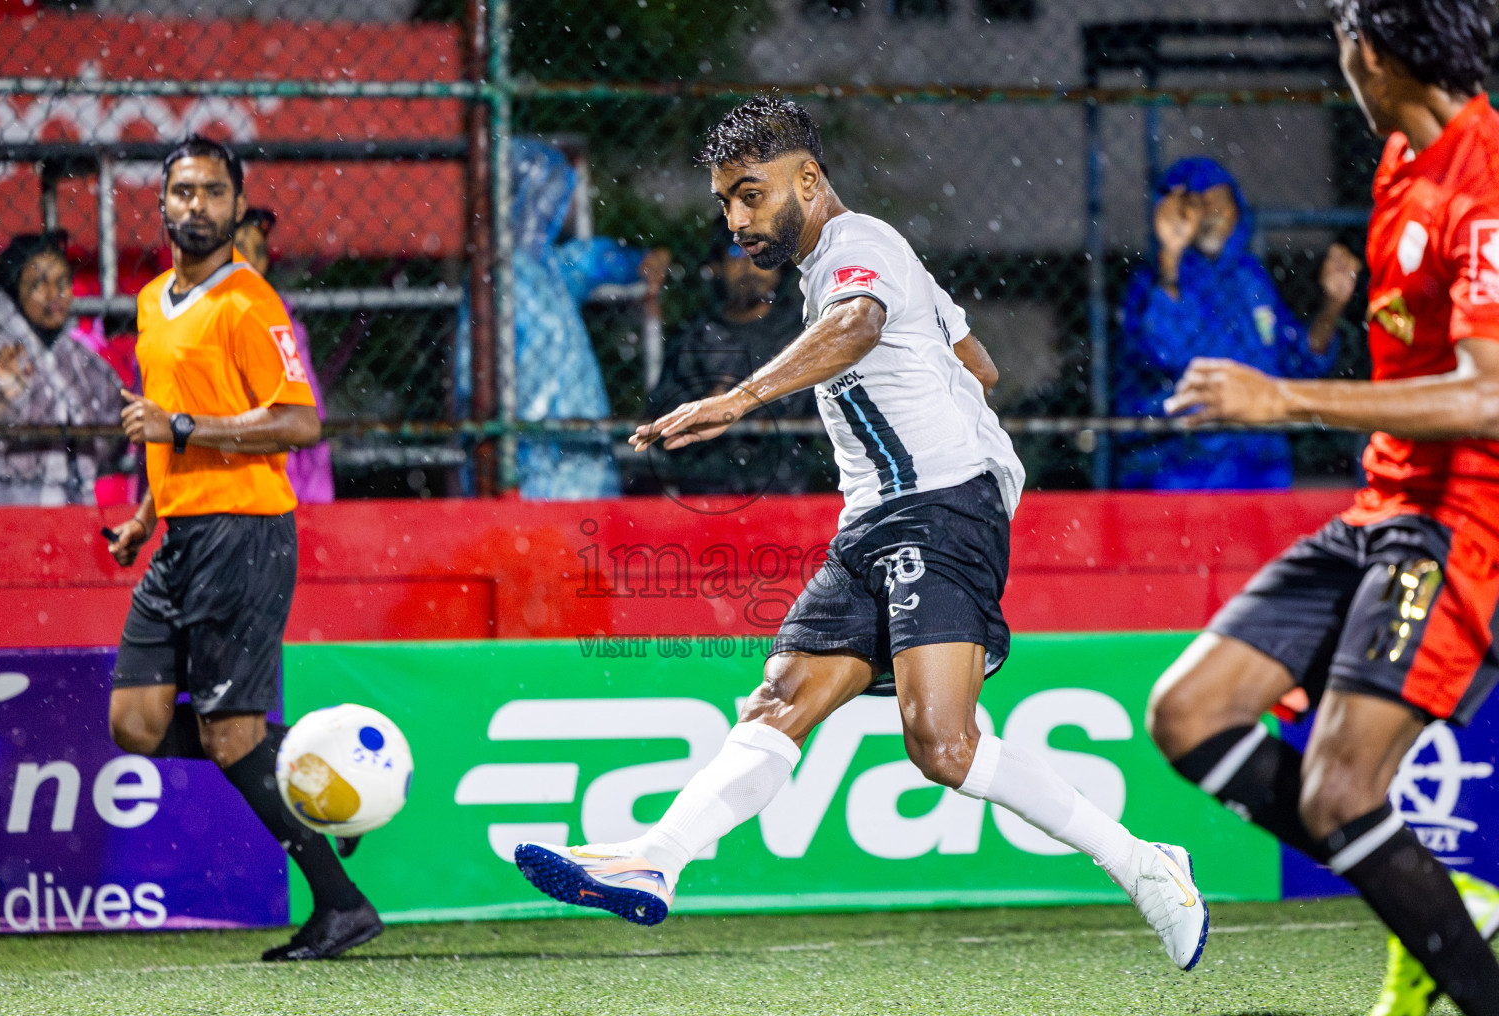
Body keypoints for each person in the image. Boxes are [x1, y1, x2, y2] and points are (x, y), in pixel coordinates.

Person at [514, 95, 1210, 973]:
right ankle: (661, 858)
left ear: (809, 178)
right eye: (726, 201)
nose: (736, 220)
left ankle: (1147, 866)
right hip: (876, 517)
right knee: (780, 696)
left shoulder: (860, 248)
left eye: (751, 195)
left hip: (938, 507)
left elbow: (859, 325)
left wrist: (737, 399)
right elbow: (979, 364)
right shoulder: (863, 260)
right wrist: (939, 390)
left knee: (942, 744)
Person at [1147, 0, 1499, 1012]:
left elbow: (1487, 395)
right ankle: (1438, 896)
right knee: (1189, 714)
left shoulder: (1482, 178)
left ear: (1371, 50)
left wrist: (1286, 394)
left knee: (1341, 790)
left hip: (1461, 523)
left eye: (1340, 46)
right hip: (1381, 508)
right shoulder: (1399, 163)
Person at [103, 137, 381, 961]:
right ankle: (317, 775)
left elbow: (299, 422)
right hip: (182, 535)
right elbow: (168, 418)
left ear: (234, 207)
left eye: (211, 193)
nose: (195, 205)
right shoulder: (154, 300)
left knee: (229, 736)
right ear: (161, 204)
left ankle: (341, 905)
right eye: (182, 192)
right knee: (135, 725)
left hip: (246, 533)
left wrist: (181, 429)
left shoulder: (252, 302)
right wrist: (146, 511)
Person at [1116, 157, 1362, 489]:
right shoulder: (1153, 282)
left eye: (1221, 201)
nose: (1213, 214)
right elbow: (1164, 353)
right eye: (1198, 204)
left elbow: (1298, 361)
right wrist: (1170, 259)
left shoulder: (1251, 278)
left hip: (1260, 465)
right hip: (1178, 469)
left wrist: (1332, 306)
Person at [512, 137, 668, 499]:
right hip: (531, 455)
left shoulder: (548, 266)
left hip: (576, 450)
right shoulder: (505, 275)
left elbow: (594, 260)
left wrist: (640, 262)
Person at [645, 235, 816, 494]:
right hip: (710, 493)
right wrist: (706, 403)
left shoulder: (803, 334)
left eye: (761, 253)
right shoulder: (697, 338)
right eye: (736, 253)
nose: (748, 265)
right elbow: (658, 425)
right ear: (716, 266)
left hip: (792, 493)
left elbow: (824, 421)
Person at [0, 231, 124, 505]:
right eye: (39, 284)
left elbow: (115, 432)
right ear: (15, 289)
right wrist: (0, 405)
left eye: (62, 282)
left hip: (69, 514)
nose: (55, 294)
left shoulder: (73, 356)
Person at [233, 206, 335, 503]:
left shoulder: (285, 330)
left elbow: (310, 420)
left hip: (277, 495)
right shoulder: (180, 322)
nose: (247, 261)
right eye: (236, 248)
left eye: (256, 252)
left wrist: (314, 504)